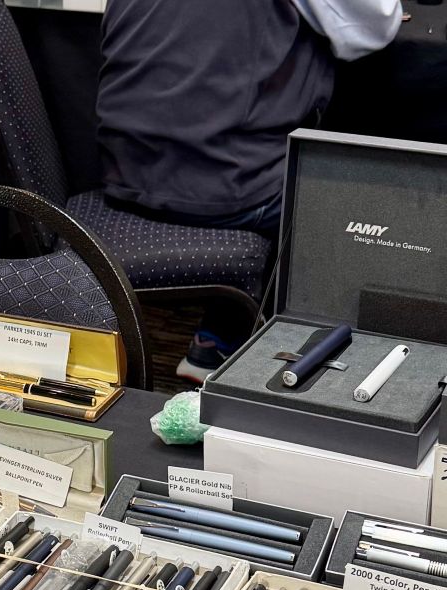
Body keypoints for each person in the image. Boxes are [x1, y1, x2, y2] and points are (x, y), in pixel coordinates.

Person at [96, 0, 402, 381]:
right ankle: (310, 375)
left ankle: (219, 337)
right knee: (364, 201)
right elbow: (377, 25)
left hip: (122, 169)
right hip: (220, 183)